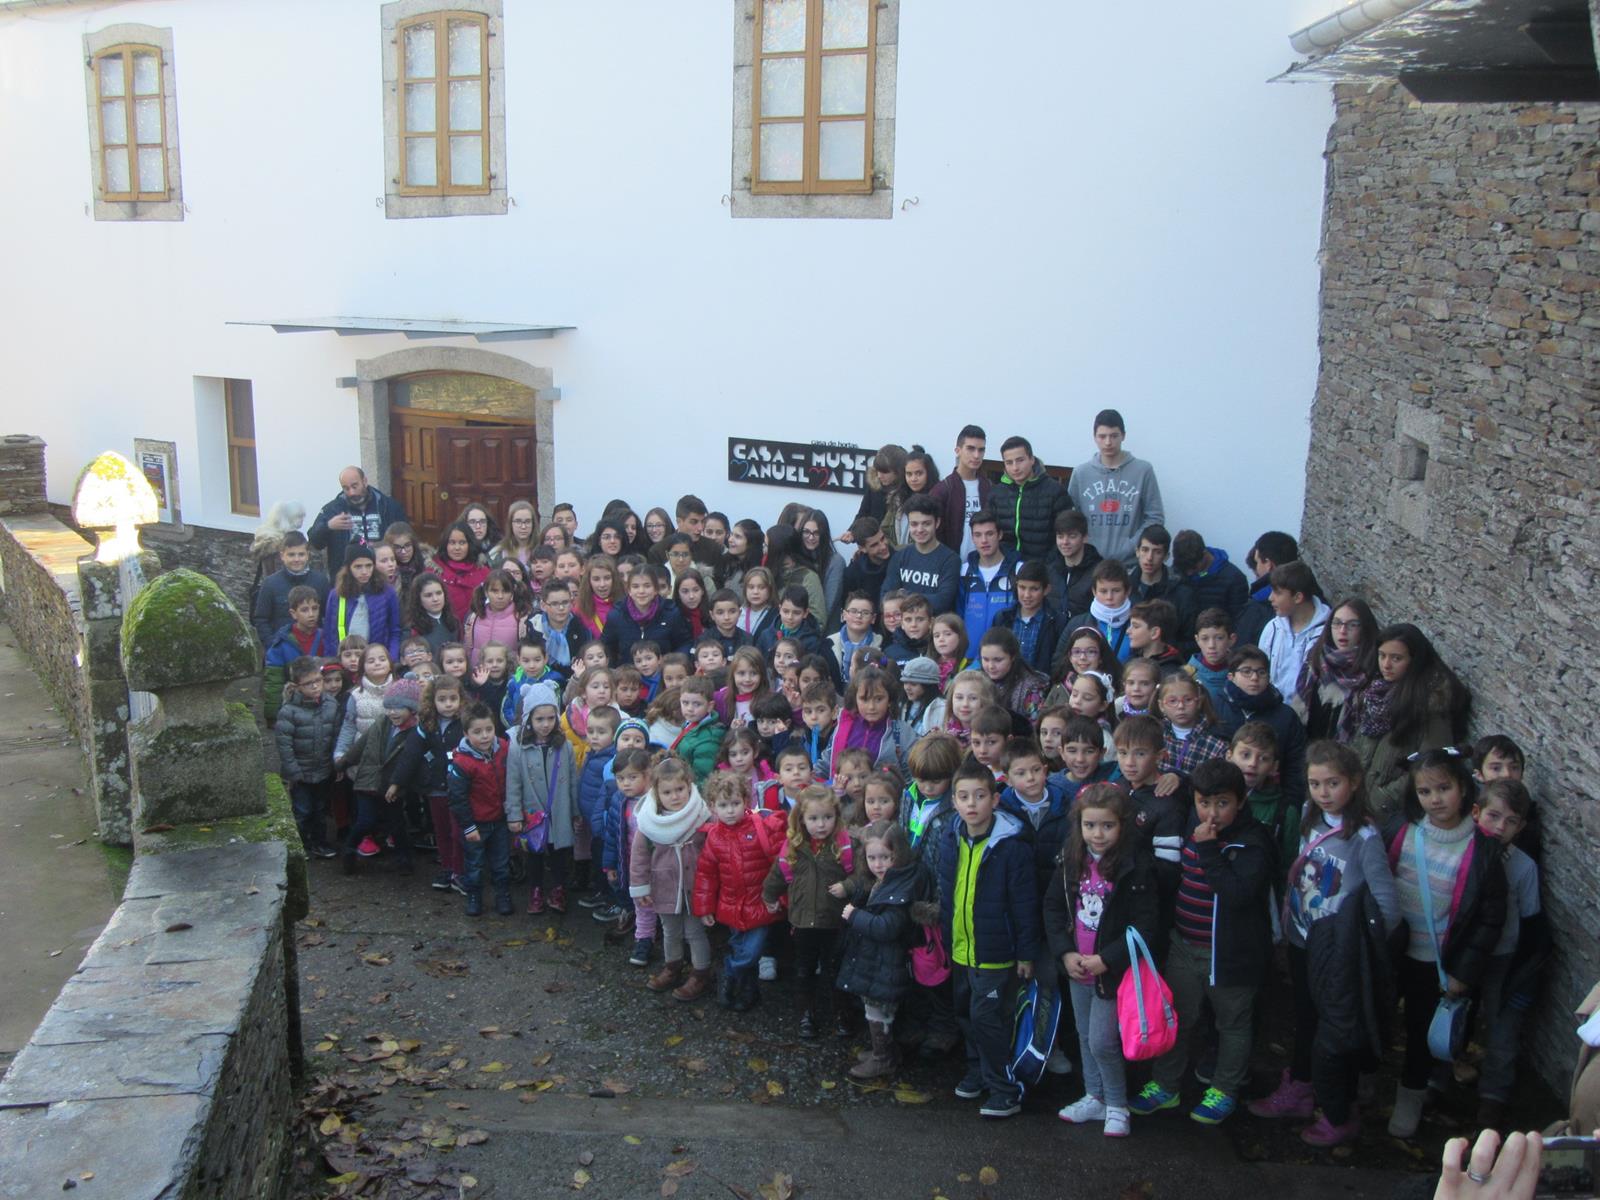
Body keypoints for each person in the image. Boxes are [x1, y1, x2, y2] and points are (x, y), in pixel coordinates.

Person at [1249, 740, 1400, 1146]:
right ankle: (1301, 1087)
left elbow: (1387, 902)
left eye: (1332, 783)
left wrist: (1359, 949)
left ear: (1353, 782)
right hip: (1304, 938)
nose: (1323, 792)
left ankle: (1340, 1107)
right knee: (1306, 1016)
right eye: (1315, 783)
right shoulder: (1308, 818)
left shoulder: (1363, 837)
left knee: (1335, 1030)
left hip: (1336, 953)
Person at [1129, 759, 1273, 1126]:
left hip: (1229, 953)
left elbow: (1238, 893)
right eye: (1203, 803)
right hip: (1184, 942)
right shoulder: (1192, 818)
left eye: (1222, 803)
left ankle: (1224, 1089)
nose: (1211, 812)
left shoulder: (1253, 841)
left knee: (1232, 1023)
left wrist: (1209, 849)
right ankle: (1165, 1085)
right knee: (1177, 1016)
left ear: (1240, 801)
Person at [1386, 748, 1507, 1139]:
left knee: (1422, 1032)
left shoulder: (1483, 849)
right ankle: (1365, 1080)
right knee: (1375, 1015)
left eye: (1443, 788)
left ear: (1464, 788)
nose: (1435, 799)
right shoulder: (1401, 831)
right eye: (1425, 791)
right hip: (1392, 951)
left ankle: (1411, 1095)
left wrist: (1462, 973)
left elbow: (1489, 920)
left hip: (1435, 962)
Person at [1045, 782, 1158, 1139]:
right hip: (1077, 965)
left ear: (1122, 825)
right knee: (1083, 1034)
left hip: (1112, 972)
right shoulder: (1071, 857)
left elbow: (1147, 923)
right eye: (1090, 825)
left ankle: (1117, 1104)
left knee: (1102, 1041)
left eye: (1107, 826)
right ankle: (1094, 1096)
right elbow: (1052, 906)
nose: (1097, 834)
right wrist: (1065, 951)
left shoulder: (1135, 866)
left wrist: (1107, 959)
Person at [938, 756, 1038, 1119]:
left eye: (980, 796)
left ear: (995, 799)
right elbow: (946, 889)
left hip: (997, 952)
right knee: (965, 1012)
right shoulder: (952, 835)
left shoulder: (1011, 846)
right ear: (954, 802)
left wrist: (1026, 953)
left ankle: (1005, 1088)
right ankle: (977, 1070)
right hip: (962, 947)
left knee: (988, 1018)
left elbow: (1025, 904)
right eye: (963, 797)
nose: (971, 804)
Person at [1470, 778, 1549, 1130]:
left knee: (1502, 1030)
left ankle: (1493, 1098)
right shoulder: (1463, 851)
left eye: (1511, 821)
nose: (1500, 828)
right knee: (1451, 1017)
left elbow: (1531, 922)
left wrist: (1522, 974)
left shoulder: (1523, 867)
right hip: (1461, 955)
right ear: (1477, 813)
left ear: (1521, 827)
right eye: (1493, 816)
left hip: (1503, 957)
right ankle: (1435, 1079)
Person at [1353, 624, 1471, 828]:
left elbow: (1433, 764)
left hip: (1392, 814)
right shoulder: (1375, 694)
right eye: (1382, 656)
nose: (1386, 665)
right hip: (1357, 801)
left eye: (1396, 658)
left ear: (1414, 661)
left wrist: (1382, 798)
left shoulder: (1430, 706)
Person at [762, 785, 853, 1040]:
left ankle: (841, 1013)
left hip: (835, 921)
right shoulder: (794, 845)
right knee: (803, 969)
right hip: (802, 921)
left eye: (827, 817)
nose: (821, 824)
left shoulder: (843, 844)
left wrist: (849, 886)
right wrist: (769, 896)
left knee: (835, 968)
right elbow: (778, 874)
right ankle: (807, 1013)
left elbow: (858, 874)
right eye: (813, 818)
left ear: (836, 816)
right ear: (801, 819)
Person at [692, 771, 787, 1011]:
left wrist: (780, 898)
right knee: (742, 949)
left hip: (760, 903)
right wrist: (704, 908)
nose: (730, 810)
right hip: (731, 905)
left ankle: (728, 970)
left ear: (746, 802)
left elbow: (780, 866)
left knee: (752, 952)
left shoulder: (760, 828)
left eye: (735, 803)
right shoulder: (714, 837)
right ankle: (748, 992)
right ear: (713, 807)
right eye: (723, 805)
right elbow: (706, 874)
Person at [836, 821, 924, 1078]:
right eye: (872, 857)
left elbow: (887, 927)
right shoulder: (881, 882)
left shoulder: (899, 888)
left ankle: (882, 1057)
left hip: (888, 963)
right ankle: (885, 1051)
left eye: (885, 857)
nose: (878, 864)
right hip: (877, 961)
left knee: (878, 1011)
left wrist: (855, 916)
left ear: (899, 855)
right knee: (873, 1008)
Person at [631, 754, 715, 1001]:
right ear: (657, 793)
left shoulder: (702, 815)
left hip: (695, 886)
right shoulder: (648, 822)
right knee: (670, 931)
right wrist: (640, 888)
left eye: (680, 789)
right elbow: (639, 857)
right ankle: (673, 967)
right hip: (664, 885)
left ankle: (700, 973)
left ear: (690, 785)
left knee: (695, 932)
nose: (675, 796)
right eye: (668, 792)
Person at [504, 681, 580, 915]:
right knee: (534, 855)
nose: (545, 724)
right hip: (532, 811)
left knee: (559, 853)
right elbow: (513, 783)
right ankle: (535, 890)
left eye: (550, 718)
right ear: (528, 719)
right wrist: (514, 815)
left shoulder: (564, 746)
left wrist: (575, 812)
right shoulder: (518, 747)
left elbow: (573, 782)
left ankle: (558, 889)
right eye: (539, 719)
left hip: (559, 810)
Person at [335, 676, 422, 876]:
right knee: (365, 820)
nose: (392, 712)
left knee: (397, 824)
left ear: (412, 709)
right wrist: (344, 763)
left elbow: (410, 763)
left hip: (392, 787)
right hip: (368, 780)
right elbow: (362, 744)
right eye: (389, 707)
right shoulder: (383, 722)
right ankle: (349, 850)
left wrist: (399, 784)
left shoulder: (416, 732)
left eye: (399, 708)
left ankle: (404, 860)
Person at [1070, 410, 1165, 570]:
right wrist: (1086, 542)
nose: (1108, 442)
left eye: (1114, 436)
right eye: (1102, 436)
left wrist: (1131, 545)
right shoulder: (1081, 473)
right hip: (1090, 564)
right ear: (1094, 437)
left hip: (1131, 564)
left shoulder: (1143, 471)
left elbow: (1155, 517)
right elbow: (1072, 517)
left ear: (1123, 436)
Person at [445, 703, 513, 917]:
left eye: (488, 730)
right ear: (466, 733)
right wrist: (468, 827)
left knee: (501, 862)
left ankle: (503, 894)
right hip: (476, 823)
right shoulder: (462, 762)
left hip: (500, 820)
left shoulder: (503, 748)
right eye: (477, 732)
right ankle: (474, 895)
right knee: (474, 864)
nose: (485, 736)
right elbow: (458, 798)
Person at [274, 655, 339, 859]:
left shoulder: (331, 704)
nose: (316, 687)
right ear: (296, 686)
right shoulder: (289, 711)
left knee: (320, 810)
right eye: (309, 683)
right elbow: (284, 745)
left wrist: (337, 765)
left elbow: (335, 735)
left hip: (323, 768)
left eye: (318, 681)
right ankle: (300, 845)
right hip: (300, 772)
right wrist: (293, 772)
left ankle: (319, 842)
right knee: (302, 811)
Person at [1292, 597, 1380, 743]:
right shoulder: (1315, 661)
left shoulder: (1372, 671)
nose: (1342, 631)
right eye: (1337, 623)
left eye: (1352, 625)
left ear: (1365, 628)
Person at [986, 435, 1068, 565]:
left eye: (1020, 460)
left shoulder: (1055, 491)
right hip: (1006, 568)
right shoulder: (996, 494)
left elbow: (1065, 533)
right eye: (1009, 462)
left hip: (1043, 570)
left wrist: (1049, 566)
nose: (1015, 468)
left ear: (1032, 459)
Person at [308, 466, 408, 570]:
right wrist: (328, 526)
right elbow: (315, 542)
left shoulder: (388, 506)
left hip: (382, 573)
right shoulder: (332, 510)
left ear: (364, 481)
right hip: (346, 576)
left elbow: (405, 537)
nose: (351, 493)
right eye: (346, 488)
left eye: (355, 486)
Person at [1258, 561, 1332, 698]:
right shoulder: (1272, 628)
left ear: (1298, 597)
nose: (1270, 598)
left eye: (1277, 593)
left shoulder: (1326, 635)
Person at [881, 495, 961, 615]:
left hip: (934, 629)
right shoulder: (900, 557)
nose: (920, 529)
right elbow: (885, 597)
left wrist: (904, 594)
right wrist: (926, 598)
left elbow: (942, 602)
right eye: (914, 524)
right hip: (902, 627)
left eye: (926, 524)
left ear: (937, 523)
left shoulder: (950, 560)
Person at [320, 543, 402, 659]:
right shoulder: (336, 594)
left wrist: (391, 659)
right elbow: (329, 634)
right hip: (346, 660)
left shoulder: (387, 593)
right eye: (358, 567)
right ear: (349, 568)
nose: (364, 572)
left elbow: (395, 631)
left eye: (369, 566)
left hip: (377, 660)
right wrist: (333, 661)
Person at [252, 530, 331, 648]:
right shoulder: (270, 584)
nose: (297, 559)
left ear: (308, 555)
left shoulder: (321, 582)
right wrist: (272, 644)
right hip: (281, 650)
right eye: (291, 555)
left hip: (313, 649)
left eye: (301, 554)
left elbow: (329, 617)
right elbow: (261, 619)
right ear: (282, 555)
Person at [927, 425, 993, 556]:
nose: (976, 455)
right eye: (970, 448)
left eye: (981, 450)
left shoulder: (989, 487)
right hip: (952, 564)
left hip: (983, 565)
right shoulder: (942, 490)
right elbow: (933, 533)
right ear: (958, 450)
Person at [958, 511, 1019, 647]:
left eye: (989, 534)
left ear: (1000, 535)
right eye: (978, 535)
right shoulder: (964, 572)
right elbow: (958, 615)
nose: (984, 540)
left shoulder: (1018, 570)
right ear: (972, 538)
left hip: (1005, 655)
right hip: (969, 656)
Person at [262, 585, 323, 723]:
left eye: (315, 608)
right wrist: (273, 714)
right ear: (293, 613)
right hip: (294, 706)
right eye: (304, 610)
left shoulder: (325, 639)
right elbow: (274, 682)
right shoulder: (282, 643)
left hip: (322, 705)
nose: (311, 614)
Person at [1237, 531, 1300, 647]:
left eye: (1257, 562)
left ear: (1268, 564)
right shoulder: (1311, 599)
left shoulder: (1257, 607)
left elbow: (1241, 650)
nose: (1256, 568)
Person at [1046, 509, 1103, 620]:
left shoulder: (1099, 572)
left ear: (1085, 537)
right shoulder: (1050, 570)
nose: (1065, 542)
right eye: (1060, 536)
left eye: (1072, 536)